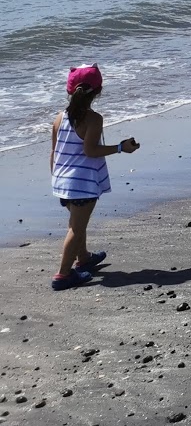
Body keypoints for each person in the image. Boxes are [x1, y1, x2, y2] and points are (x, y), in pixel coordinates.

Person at [49, 65, 138, 291]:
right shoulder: (93, 119)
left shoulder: (59, 118)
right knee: (77, 228)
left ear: (70, 91)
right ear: (98, 91)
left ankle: (85, 258)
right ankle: (63, 274)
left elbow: (54, 152)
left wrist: (57, 177)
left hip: (61, 180)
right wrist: (120, 147)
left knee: (78, 222)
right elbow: (90, 151)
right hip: (82, 183)